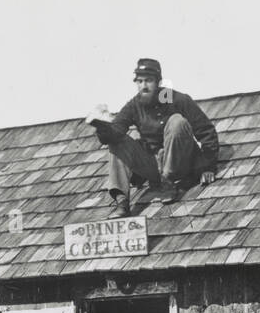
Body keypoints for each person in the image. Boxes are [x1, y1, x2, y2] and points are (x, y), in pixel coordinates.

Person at [87, 58, 219, 216]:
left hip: (180, 163)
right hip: (154, 166)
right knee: (117, 142)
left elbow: (205, 130)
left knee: (177, 122)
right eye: (140, 81)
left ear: (158, 82)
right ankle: (122, 201)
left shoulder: (174, 98)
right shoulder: (134, 105)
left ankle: (168, 181)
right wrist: (102, 127)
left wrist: (208, 167)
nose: (144, 86)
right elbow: (117, 131)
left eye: (148, 81)